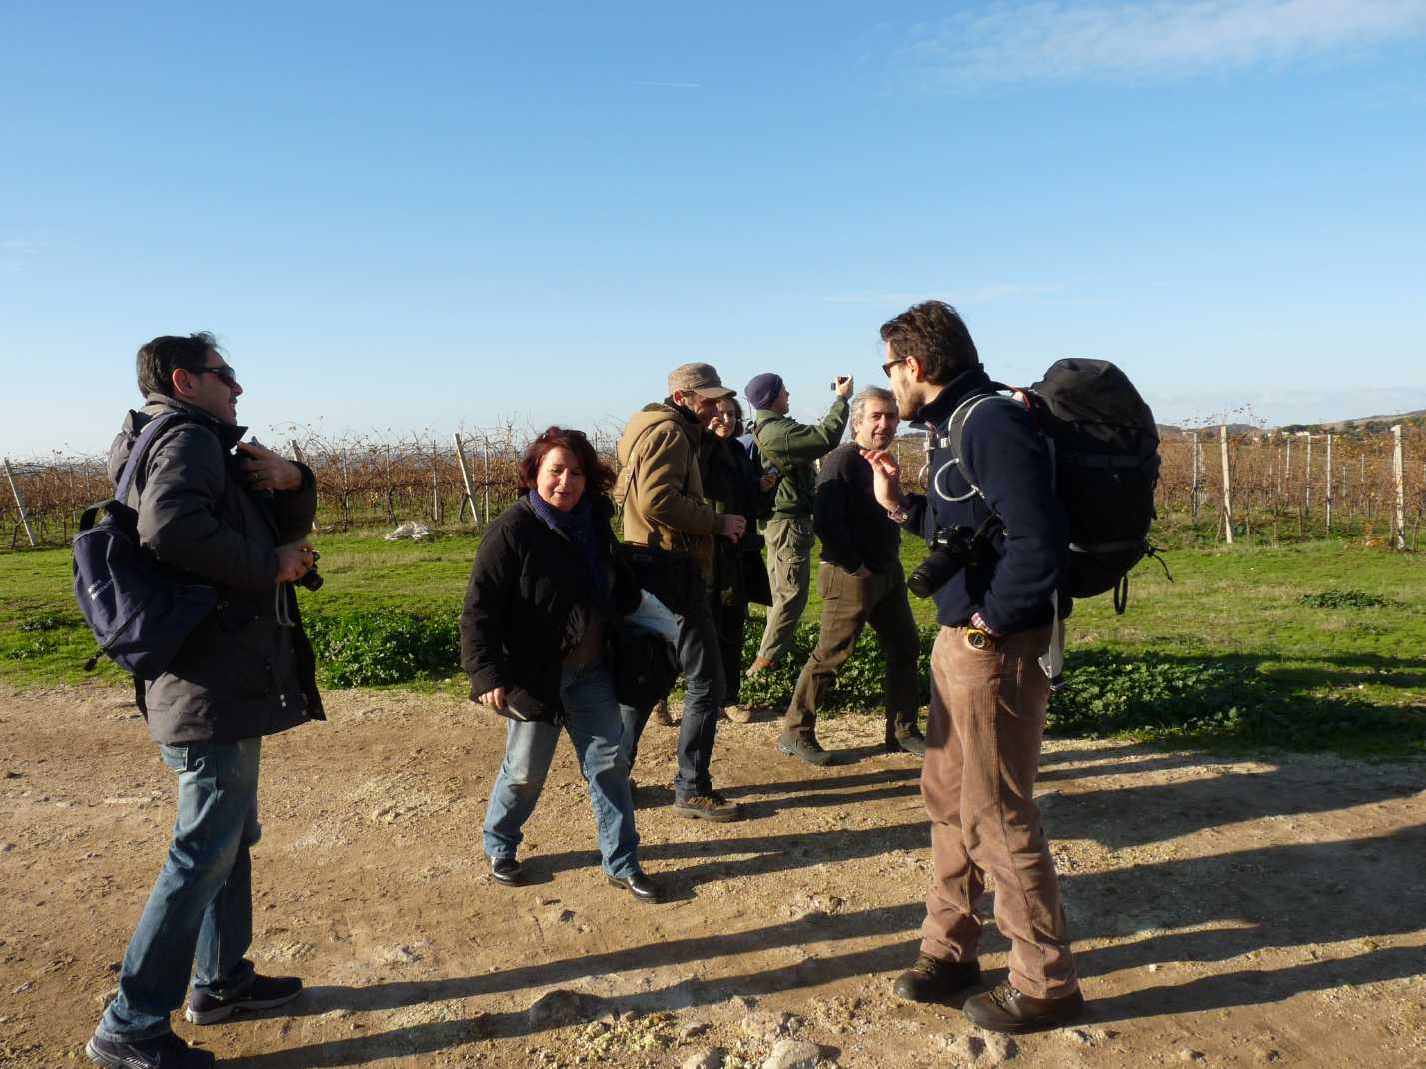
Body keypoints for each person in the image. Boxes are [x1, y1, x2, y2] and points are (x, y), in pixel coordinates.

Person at [87, 333, 323, 1069]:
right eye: (227, 376)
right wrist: (270, 564)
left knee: (228, 837)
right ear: (186, 380)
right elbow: (172, 528)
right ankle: (130, 1023)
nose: (238, 390)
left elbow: (238, 519)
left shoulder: (164, 437)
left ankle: (220, 981)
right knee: (202, 849)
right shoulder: (187, 437)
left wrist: (294, 480)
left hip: (206, 678)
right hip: (207, 684)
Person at [862, 301, 1084, 1033]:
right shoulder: (955, 424)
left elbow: (1038, 540)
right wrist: (904, 509)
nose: (888, 381)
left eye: (891, 367)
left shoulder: (987, 422)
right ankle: (951, 948)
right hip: (962, 642)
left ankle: (1046, 982)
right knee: (949, 795)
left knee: (996, 811)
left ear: (916, 367)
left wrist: (992, 619)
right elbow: (973, 527)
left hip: (994, 649)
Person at [460, 427, 662, 902]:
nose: (565, 482)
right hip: (535, 675)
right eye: (556, 471)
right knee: (526, 771)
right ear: (536, 473)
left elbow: (614, 583)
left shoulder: (593, 521)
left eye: (576, 472)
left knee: (610, 765)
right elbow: (478, 608)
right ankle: (501, 844)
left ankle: (622, 862)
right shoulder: (513, 529)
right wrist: (487, 674)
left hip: (592, 671)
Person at [615, 363, 748, 822]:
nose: (715, 408)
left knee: (650, 678)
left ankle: (615, 774)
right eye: (707, 400)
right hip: (672, 569)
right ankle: (692, 787)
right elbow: (658, 500)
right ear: (682, 399)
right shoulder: (670, 433)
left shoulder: (644, 428)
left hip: (647, 566)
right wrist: (716, 521)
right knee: (707, 683)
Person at [779, 386, 926, 765]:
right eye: (876, 416)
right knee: (832, 654)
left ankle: (902, 731)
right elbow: (826, 521)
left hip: (886, 570)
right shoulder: (842, 460)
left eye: (891, 416)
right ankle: (796, 732)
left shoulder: (883, 458)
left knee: (905, 646)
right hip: (852, 574)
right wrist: (853, 564)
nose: (885, 423)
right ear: (857, 422)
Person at [745, 372, 850, 675]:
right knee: (791, 595)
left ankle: (772, 657)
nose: (788, 394)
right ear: (771, 397)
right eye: (783, 391)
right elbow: (825, 437)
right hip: (788, 524)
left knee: (780, 594)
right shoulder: (779, 432)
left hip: (782, 523)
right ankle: (762, 665)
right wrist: (841, 400)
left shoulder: (767, 427)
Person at [703, 397, 776, 724]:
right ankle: (666, 697)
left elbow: (754, 507)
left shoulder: (738, 453)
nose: (727, 420)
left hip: (736, 554)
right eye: (720, 414)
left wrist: (763, 488)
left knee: (732, 623)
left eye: (732, 414)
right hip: (703, 555)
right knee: (696, 629)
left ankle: (728, 699)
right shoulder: (696, 452)